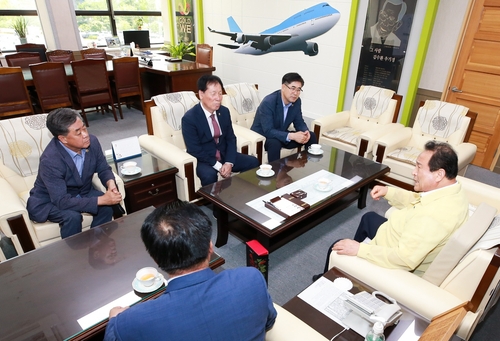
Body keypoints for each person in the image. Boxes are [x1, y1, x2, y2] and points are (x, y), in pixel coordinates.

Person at [104, 202, 277, 341]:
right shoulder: (252, 278)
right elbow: (268, 321)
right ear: (210, 247)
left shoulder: (128, 323)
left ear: (156, 260)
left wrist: (114, 320)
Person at [313, 141, 469, 280]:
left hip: (393, 257)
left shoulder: (433, 217)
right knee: (369, 218)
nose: (413, 172)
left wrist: (360, 250)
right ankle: (350, 270)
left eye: (419, 167)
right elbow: (417, 199)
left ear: (439, 174)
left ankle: (329, 278)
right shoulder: (452, 191)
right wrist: (389, 192)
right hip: (398, 233)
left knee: (336, 247)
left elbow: (404, 259)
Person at [27, 108, 123, 239]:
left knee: (106, 208)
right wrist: (101, 199)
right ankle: (74, 255)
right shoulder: (50, 160)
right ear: (63, 139)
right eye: (78, 133)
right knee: (72, 216)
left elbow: (103, 168)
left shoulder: (92, 142)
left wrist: (110, 184)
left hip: (81, 191)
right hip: (50, 200)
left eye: (84, 128)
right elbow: (61, 201)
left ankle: (98, 244)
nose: (85, 135)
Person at [182, 75, 259, 186]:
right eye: (213, 94)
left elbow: (231, 138)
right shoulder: (190, 118)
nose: (218, 98)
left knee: (253, 162)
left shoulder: (224, 112)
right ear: (201, 94)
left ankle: (241, 192)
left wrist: (229, 162)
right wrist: (218, 166)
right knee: (209, 175)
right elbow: (195, 149)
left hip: (224, 154)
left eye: (220, 93)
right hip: (204, 159)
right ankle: (213, 202)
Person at [251, 72, 317, 162]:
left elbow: (299, 122)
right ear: (283, 87)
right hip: (263, 137)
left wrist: (305, 131)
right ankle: (276, 173)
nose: (295, 93)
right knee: (275, 143)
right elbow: (268, 131)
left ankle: (310, 165)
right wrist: (292, 136)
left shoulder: (297, 102)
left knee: (311, 135)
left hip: (282, 135)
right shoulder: (269, 102)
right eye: (292, 88)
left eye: (298, 90)